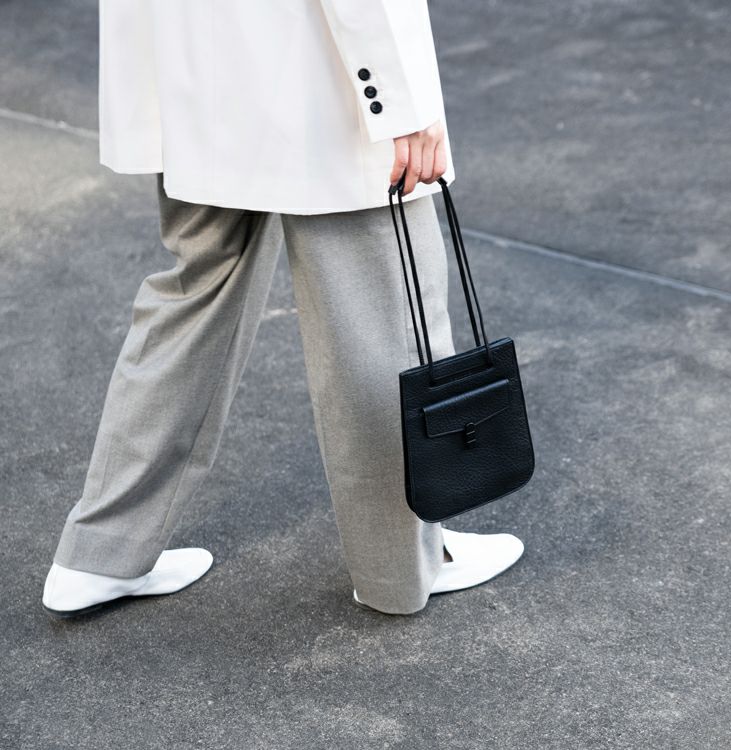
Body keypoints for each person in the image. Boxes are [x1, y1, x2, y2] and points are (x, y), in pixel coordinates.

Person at [42, 0, 524, 618]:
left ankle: (99, 556)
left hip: (191, 71)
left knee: (198, 291)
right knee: (379, 312)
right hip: (318, 76)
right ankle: (402, 570)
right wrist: (399, 99)